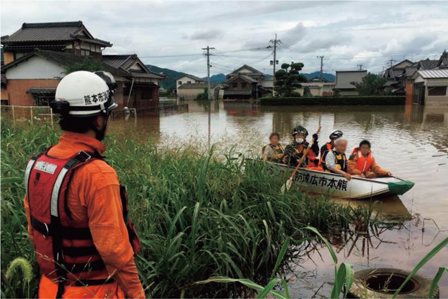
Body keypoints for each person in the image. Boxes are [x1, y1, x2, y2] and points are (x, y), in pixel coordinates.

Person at [23, 71, 145, 299]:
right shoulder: (97, 174)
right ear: (99, 120)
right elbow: (115, 251)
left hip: (49, 290)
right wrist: (137, 295)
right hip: (94, 292)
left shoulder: (36, 164)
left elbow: (35, 232)